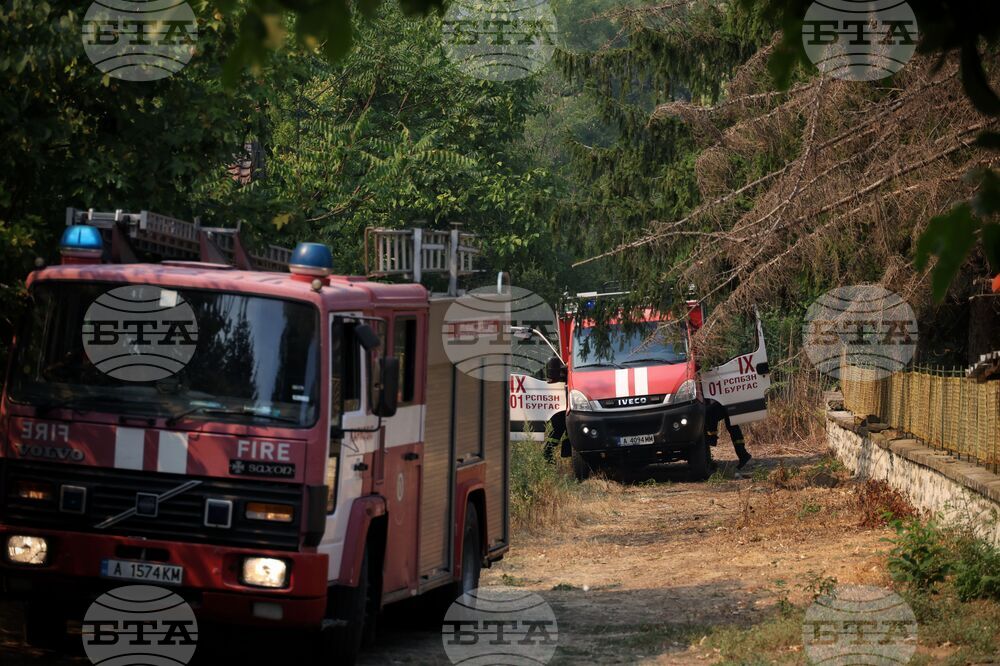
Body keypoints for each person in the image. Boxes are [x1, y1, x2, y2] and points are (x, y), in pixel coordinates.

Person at [704, 401, 752, 470]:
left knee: (708, 413)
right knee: (732, 426)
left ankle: (712, 438)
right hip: (727, 401)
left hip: (726, 401)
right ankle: (743, 455)